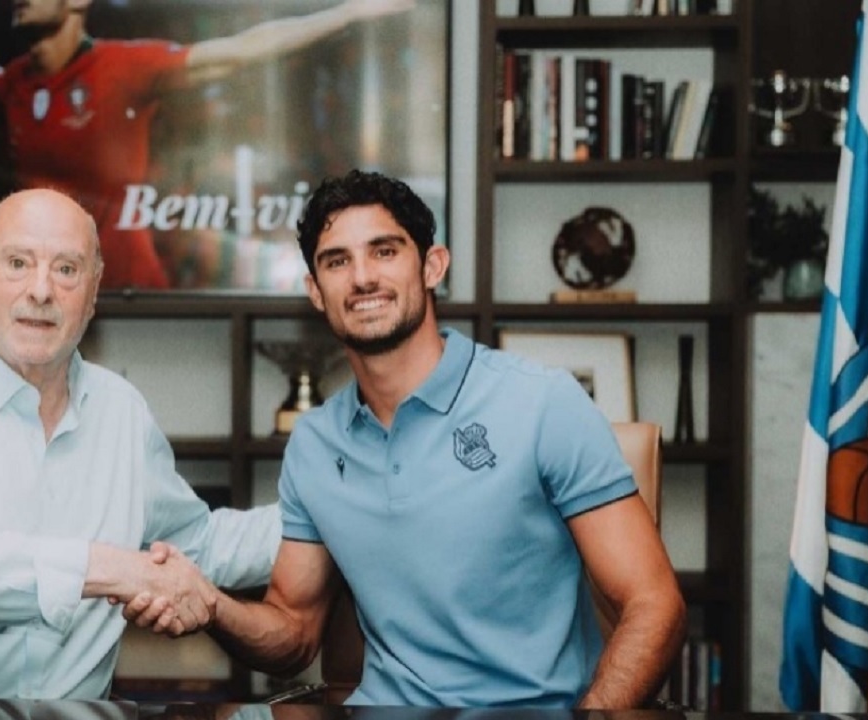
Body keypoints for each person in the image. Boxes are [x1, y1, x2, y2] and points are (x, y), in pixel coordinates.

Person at [130, 170, 686, 708]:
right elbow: (294, 632)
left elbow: (654, 604)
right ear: (316, 292)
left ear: (432, 265)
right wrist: (211, 605)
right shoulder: (315, 443)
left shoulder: (543, 403)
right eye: (337, 261)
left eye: (385, 251)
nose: (362, 278)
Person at [0, 188, 278, 699]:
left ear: (94, 290)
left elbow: (196, 545)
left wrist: (331, 517)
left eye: (66, 269)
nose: (41, 290)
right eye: (18, 263)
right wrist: (109, 570)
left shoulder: (121, 411)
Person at [0, 0, 414, 290]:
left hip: (127, 288)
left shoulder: (124, 66)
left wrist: (348, 11)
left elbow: (237, 52)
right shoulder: (16, 81)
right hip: (47, 294)